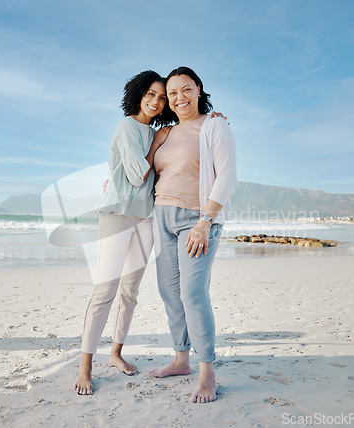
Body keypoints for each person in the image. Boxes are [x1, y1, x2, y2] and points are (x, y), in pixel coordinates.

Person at [74, 70, 173, 395]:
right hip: (117, 216)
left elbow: (159, 176)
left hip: (145, 218)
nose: (156, 102)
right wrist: (156, 143)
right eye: (151, 94)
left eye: (162, 97)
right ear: (138, 93)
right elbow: (137, 175)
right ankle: (85, 367)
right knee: (105, 292)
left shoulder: (157, 132)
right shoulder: (128, 127)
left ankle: (116, 353)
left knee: (130, 293)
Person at [148, 66, 237, 404]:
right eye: (172, 94)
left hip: (196, 220)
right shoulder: (165, 133)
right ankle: (180, 360)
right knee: (170, 292)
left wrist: (204, 222)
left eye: (186, 90)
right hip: (161, 218)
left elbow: (227, 177)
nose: (179, 98)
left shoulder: (214, 125)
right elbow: (141, 170)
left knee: (192, 293)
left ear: (198, 89)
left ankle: (207, 374)